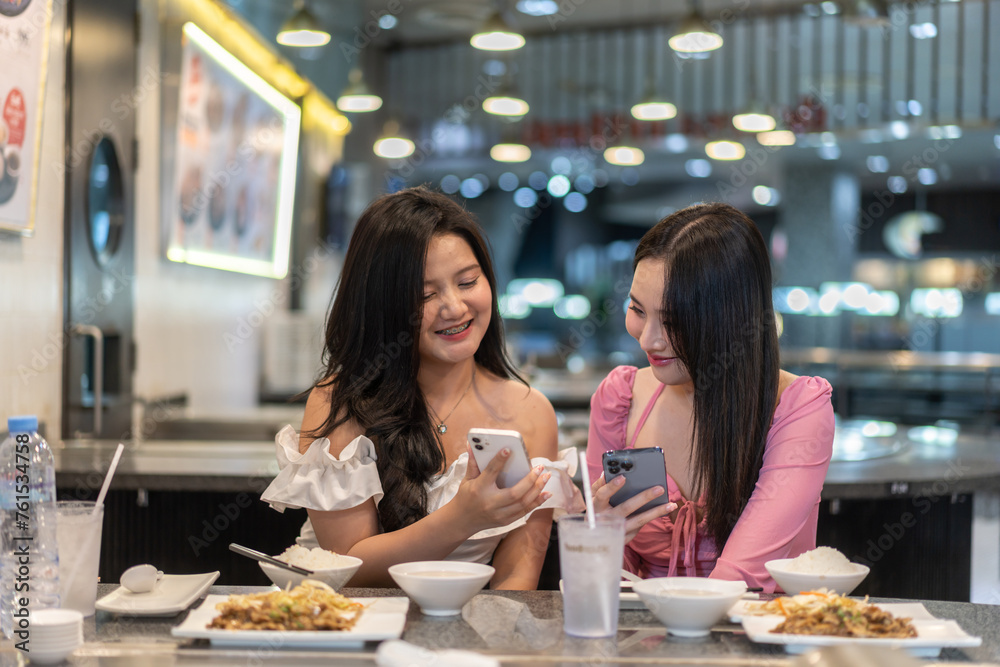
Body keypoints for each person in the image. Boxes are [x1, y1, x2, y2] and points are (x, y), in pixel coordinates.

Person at [262, 187, 579, 589]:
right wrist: (463, 518)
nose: (455, 307)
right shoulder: (339, 403)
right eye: (425, 294)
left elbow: (520, 570)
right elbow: (346, 567)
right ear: (383, 305)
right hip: (351, 627)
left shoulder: (531, 412)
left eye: (468, 281)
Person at [587, 202, 835, 593]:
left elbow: (742, 576)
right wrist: (598, 536)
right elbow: (606, 582)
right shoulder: (619, 399)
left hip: (754, 643)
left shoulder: (796, 408)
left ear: (731, 317)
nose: (648, 339)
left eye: (673, 321)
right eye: (637, 309)